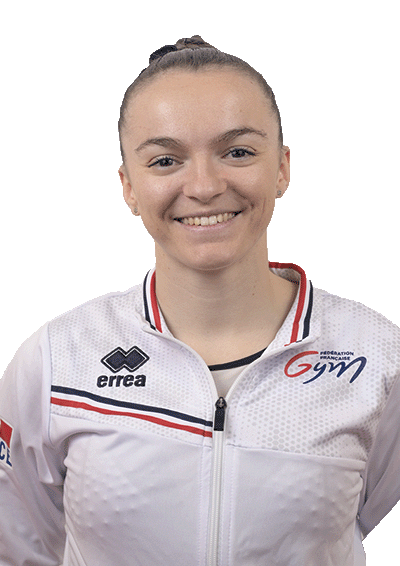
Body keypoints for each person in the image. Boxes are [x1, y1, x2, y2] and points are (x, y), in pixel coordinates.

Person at [1, 35, 400, 566]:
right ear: (128, 186)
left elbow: (352, 523)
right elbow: (19, 543)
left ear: (282, 168)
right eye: (166, 160)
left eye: (238, 152)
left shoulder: (377, 358)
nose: (205, 186)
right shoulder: (57, 361)